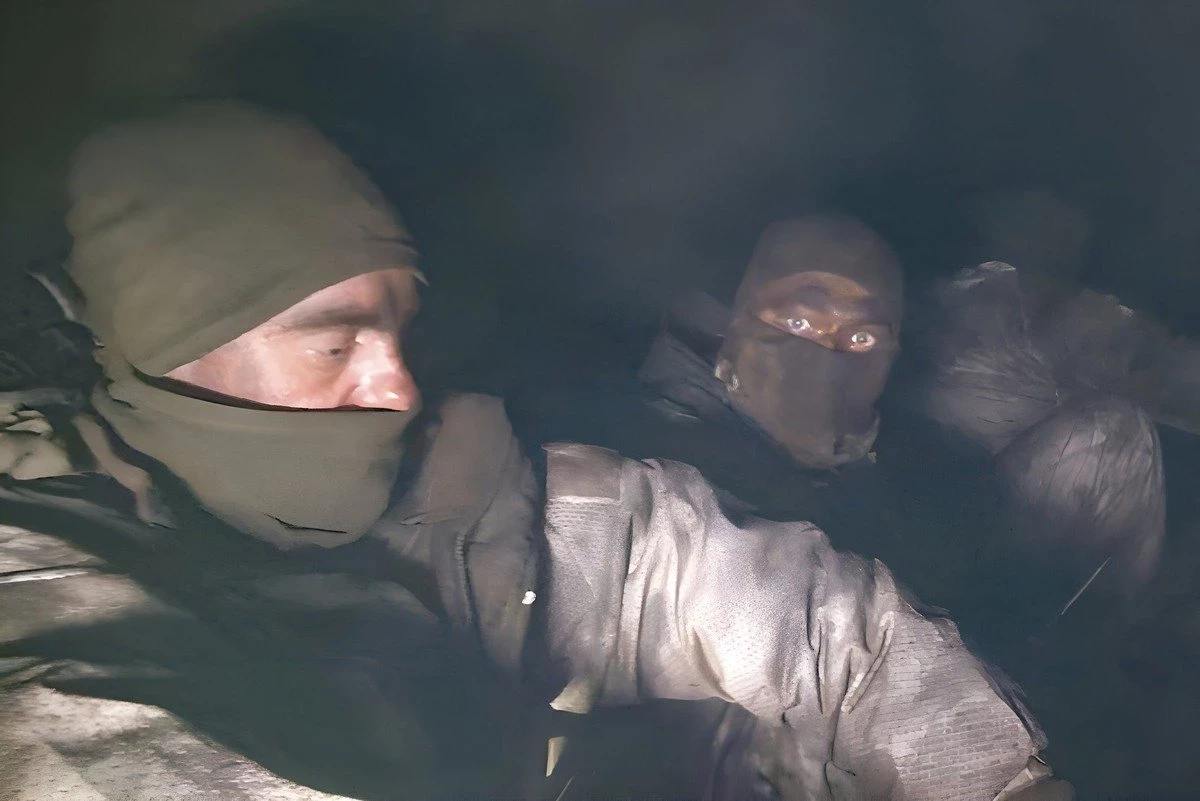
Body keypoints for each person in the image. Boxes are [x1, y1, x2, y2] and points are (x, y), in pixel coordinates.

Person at [0, 100, 1071, 801]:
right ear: (164, 348)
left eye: (401, 331)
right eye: (333, 344)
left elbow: (818, 620)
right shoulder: (48, 596)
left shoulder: (484, 489)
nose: (396, 386)